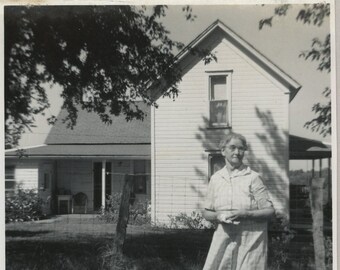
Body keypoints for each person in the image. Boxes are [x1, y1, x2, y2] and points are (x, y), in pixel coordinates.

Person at [202, 132, 274, 270]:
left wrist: (247, 214)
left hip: (251, 241)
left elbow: (270, 211)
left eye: (241, 148)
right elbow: (206, 212)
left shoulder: (253, 177)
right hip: (223, 239)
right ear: (223, 151)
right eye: (232, 147)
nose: (237, 152)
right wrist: (218, 216)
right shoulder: (216, 179)